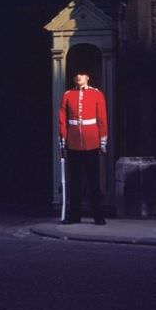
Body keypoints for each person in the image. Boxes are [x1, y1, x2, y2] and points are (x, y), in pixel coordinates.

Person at [58, 68, 108, 225]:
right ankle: (74, 216)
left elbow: (102, 118)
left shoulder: (96, 94)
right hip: (73, 143)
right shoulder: (68, 95)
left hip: (91, 142)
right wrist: (63, 140)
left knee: (93, 181)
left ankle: (98, 216)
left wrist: (102, 141)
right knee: (75, 182)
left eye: (82, 74)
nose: (78, 77)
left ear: (87, 77)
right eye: (76, 75)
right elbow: (62, 119)